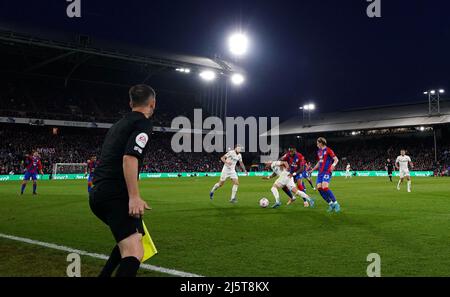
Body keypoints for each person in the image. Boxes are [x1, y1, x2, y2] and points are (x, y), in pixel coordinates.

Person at [89, 84, 156, 277]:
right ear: (153, 103)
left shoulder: (118, 124)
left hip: (99, 193)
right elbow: (130, 157)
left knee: (131, 238)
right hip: (115, 193)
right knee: (135, 252)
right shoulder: (143, 123)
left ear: (130, 103)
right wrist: (134, 197)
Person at [311, 137, 341, 213]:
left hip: (327, 171)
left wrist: (333, 165)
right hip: (320, 173)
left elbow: (336, 159)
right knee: (319, 188)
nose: (317, 144)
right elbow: (319, 162)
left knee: (324, 187)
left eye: (317, 142)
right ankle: (330, 204)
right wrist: (313, 169)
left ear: (321, 143)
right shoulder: (319, 151)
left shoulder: (328, 150)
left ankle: (336, 203)